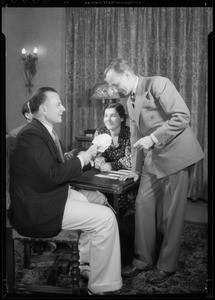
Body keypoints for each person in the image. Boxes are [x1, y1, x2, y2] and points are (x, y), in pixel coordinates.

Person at [8, 87, 122, 295]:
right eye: (58, 104)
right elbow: (54, 174)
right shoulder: (31, 135)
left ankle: (86, 265)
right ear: (43, 109)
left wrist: (89, 157)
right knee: (106, 218)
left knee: (98, 200)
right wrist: (83, 157)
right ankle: (101, 287)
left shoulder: (44, 132)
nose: (64, 108)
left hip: (49, 194)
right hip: (38, 207)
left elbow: (59, 168)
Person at [103, 59, 204, 284]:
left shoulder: (158, 84)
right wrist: (135, 170)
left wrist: (154, 137)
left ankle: (166, 265)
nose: (113, 89)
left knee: (171, 214)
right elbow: (138, 134)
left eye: (115, 83)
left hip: (178, 155)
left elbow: (181, 116)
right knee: (143, 205)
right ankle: (142, 260)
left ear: (127, 74)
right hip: (153, 159)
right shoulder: (128, 99)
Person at [94, 102, 135, 217]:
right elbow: (97, 154)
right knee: (97, 196)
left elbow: (131, 160)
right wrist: (99, 160)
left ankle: (118, 226)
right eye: (106, 116)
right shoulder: (100, 132)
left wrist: (111, 165)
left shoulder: (130, 133)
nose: (108, 119)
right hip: (106, 177)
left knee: (119, 200)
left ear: (122, 118)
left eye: (113, 115)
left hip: (127, 178)